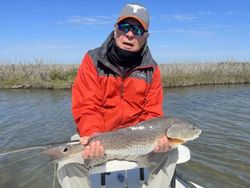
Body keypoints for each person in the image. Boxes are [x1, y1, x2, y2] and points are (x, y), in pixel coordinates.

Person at [57, 3, 177, 188]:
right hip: (98, 138)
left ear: (146, 36)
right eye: (125, 27)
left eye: (137, 29)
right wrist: (93, 136)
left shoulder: (152, 70)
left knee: (170, 153)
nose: (129, 34)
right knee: (66, 162)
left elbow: (152, 114)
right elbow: (86, 106)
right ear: (115, 30)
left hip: (137, 143)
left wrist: (157, 140)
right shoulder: (92, 61)